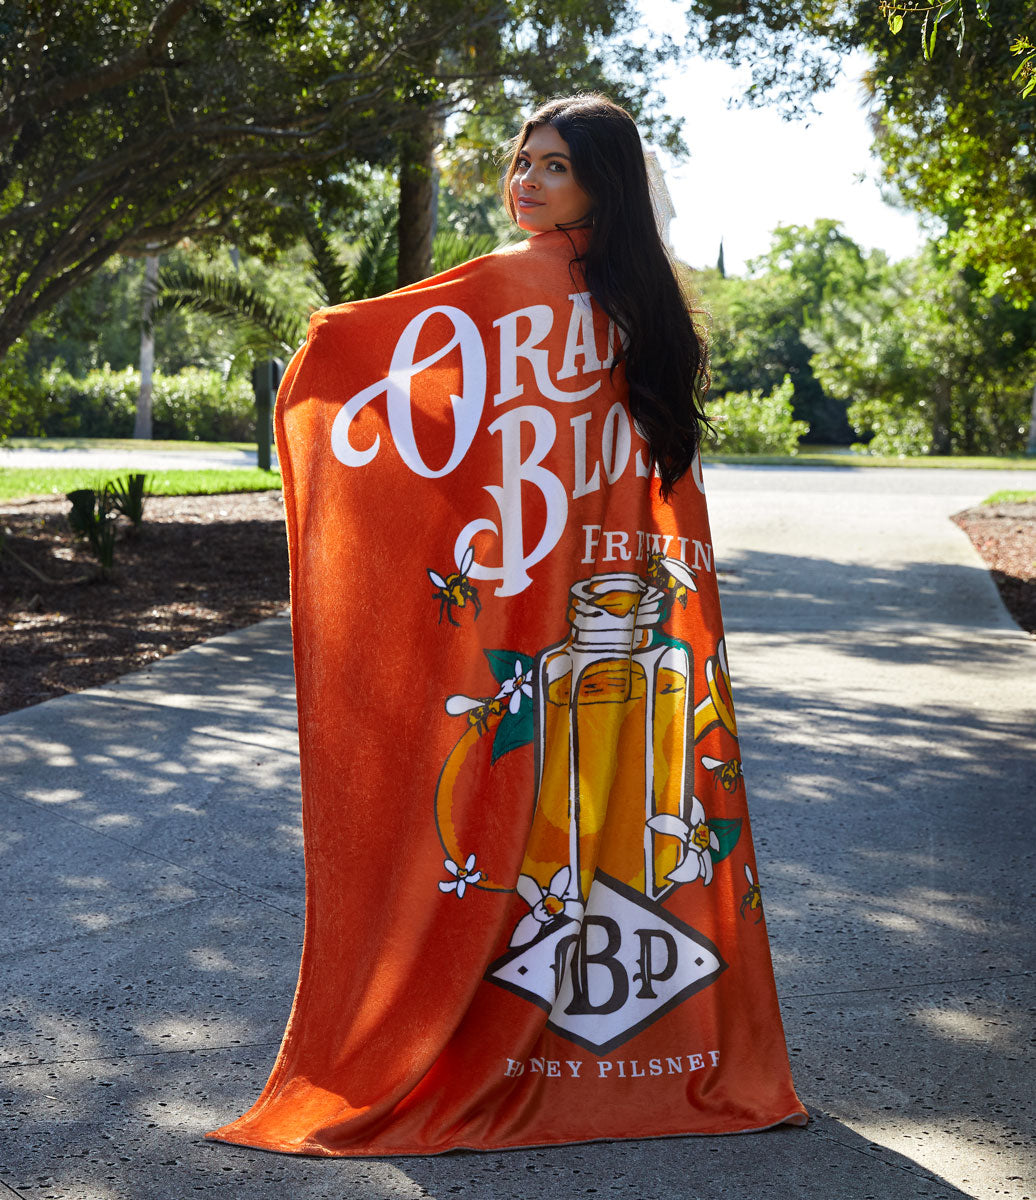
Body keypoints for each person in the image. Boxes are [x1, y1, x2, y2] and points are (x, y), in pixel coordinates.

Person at [208, 93, 806, 1157]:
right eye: (520, 161)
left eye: (554, 166)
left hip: (554, 604)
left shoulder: (508, 286)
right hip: (616, 596)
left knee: (522, 808)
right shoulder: (647, 305)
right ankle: (653, 1056)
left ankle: (507, 1036)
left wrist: (326, 346)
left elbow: (377, 359)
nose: (524, 182)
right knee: (605, 811)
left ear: (601, 186)